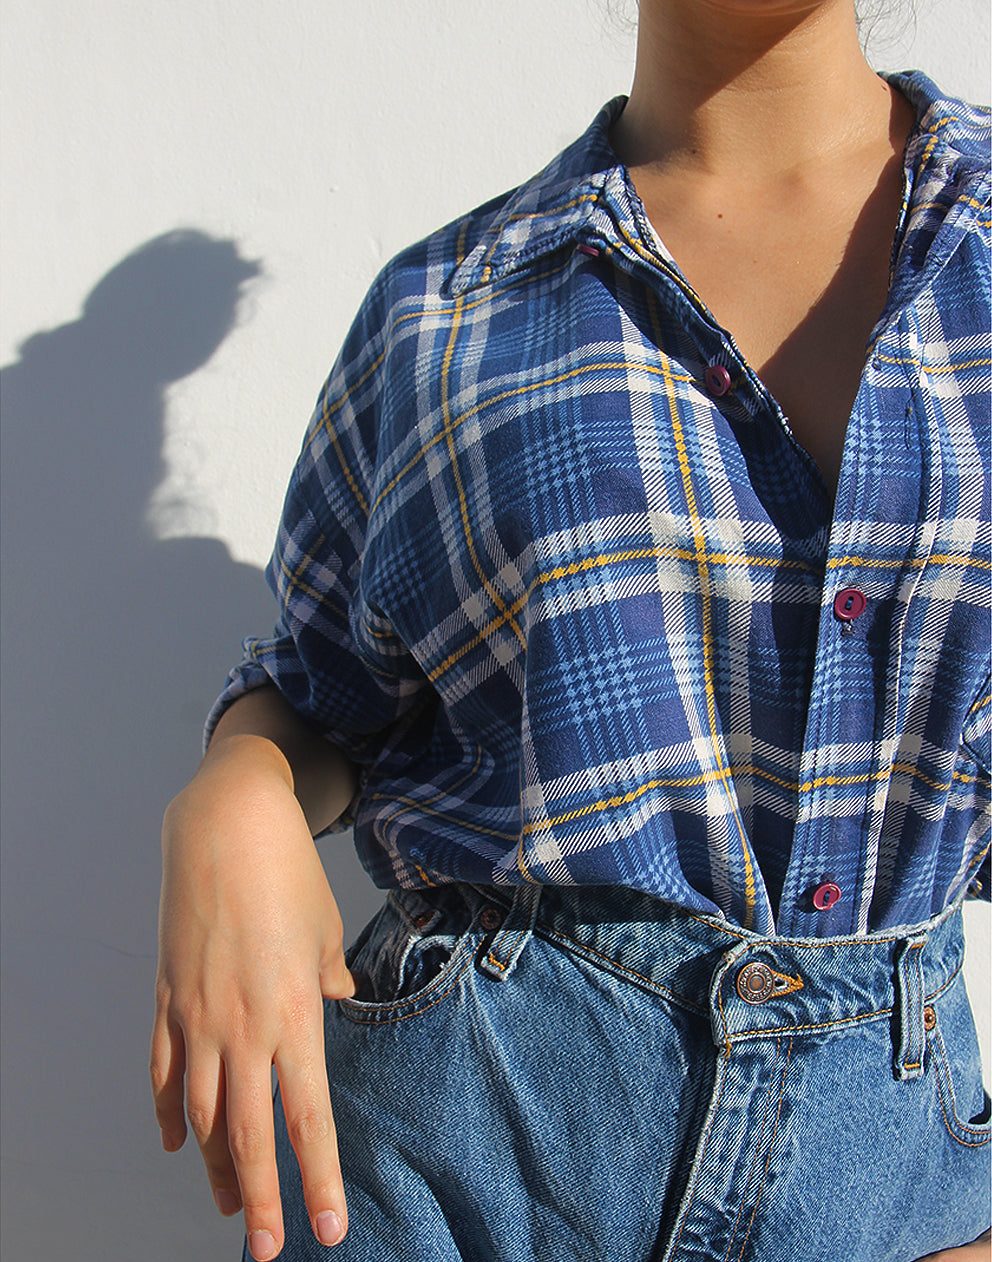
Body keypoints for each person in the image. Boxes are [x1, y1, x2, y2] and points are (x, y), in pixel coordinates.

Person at [150, 0, 992, 1258]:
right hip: (458, 1157)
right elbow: (324, 693)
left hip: (890, 1191)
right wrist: (232, 793)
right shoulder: (445, 309)